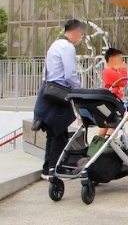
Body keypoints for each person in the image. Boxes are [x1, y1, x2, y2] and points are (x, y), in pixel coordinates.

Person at [33, 19, 84, 180]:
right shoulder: (67, 47)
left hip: (48, 92)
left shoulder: (55, 44)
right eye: (80, 33)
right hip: (59, 94)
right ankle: (54, 170)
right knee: (59, 135)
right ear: (75, 31)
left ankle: (47, 169)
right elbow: (70, 74)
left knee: (53, 132)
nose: (80, 37)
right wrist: (80, 90)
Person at [99, 47, 128, 139]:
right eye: (120, 59)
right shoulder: (109, 72)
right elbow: (123, 81)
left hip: (114, 100)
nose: (122, 62)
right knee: (115, 121)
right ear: (111, 59)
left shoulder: (112, 71)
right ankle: (108, 139)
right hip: (113, 101)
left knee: (108, 123)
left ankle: (101, 139)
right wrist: (123, 69)